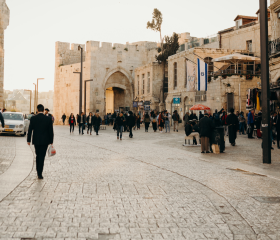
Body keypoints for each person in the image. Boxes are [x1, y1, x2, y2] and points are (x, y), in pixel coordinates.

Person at [27, 104, 54, 179]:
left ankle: (37, 170)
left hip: (36, 140)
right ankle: (39, 173)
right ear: (43, 109)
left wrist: (28, 140)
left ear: (37, 110)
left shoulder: (33, 118)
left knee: (38, 155)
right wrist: (51, 141)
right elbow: (51, 131)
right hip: (45, 141)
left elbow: (30, 130)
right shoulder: (48, 119)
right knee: (42, 156)